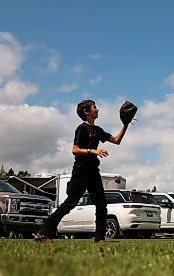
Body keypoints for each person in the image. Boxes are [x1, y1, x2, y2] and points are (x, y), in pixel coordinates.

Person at [34, 99, 130, 244]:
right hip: (81, 171)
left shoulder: (97, 130)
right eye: (94, 107)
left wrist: (126, 125)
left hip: (93, 171)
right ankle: (43, 233)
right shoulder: (82, 128)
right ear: (86, 111)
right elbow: (75, 150)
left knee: (101, 204)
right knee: (70, 204)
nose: (98, 109)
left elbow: (116, 140)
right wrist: (93, 151)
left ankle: (100, 238)